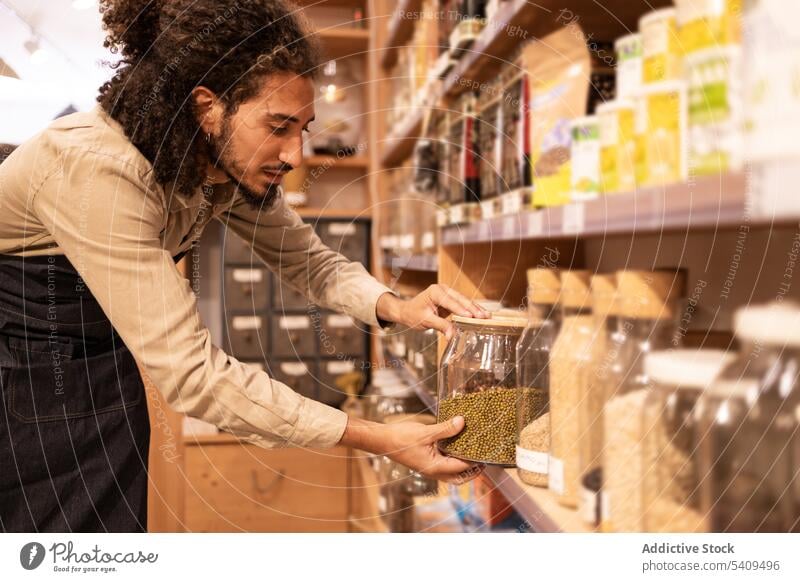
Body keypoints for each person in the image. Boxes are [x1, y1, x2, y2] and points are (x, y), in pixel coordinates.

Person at [0, 0, 487, 533]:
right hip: (22, 371)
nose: (296, 154)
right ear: (208, 106)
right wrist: (379, 437)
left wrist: (396, 306)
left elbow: (309, 260)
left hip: (101, 362)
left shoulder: (216, 160)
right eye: (278, 126)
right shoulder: (98, 170)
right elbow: (194, 376)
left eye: (303, 127)